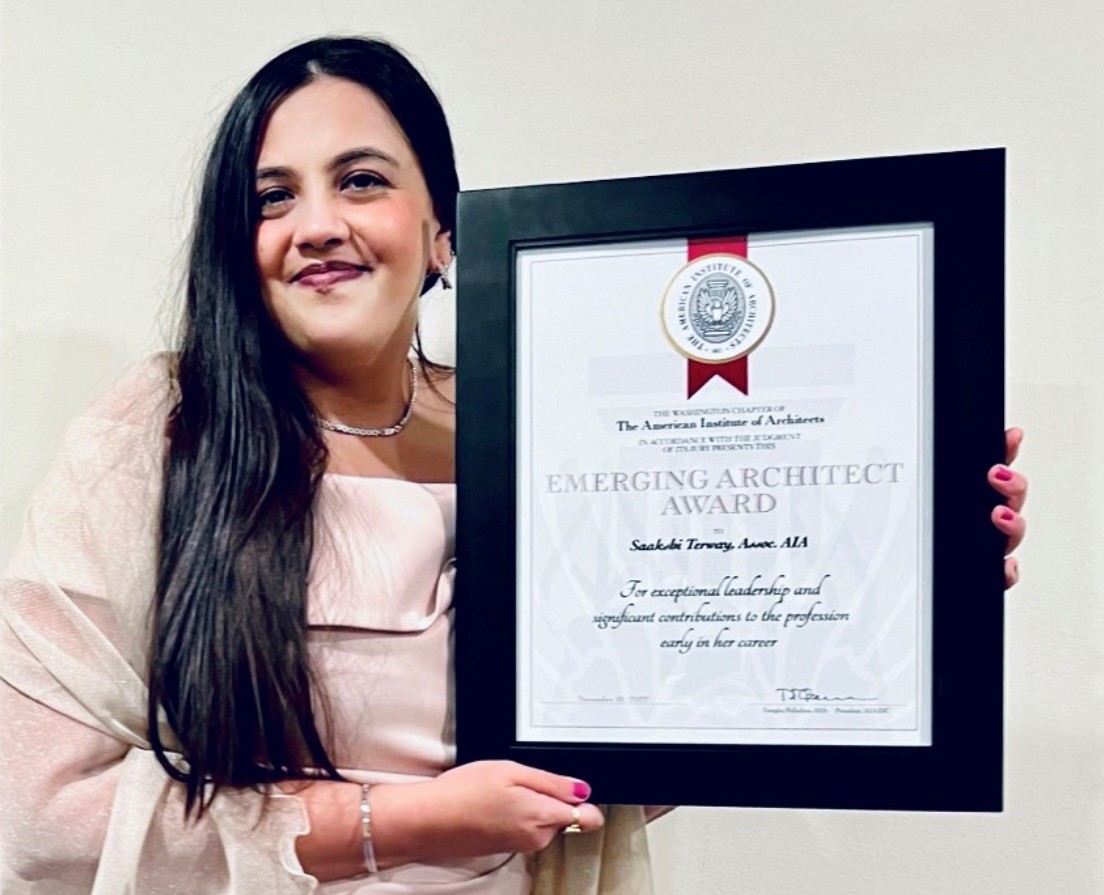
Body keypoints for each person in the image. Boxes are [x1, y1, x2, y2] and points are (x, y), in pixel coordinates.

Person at [0, 36, 1027, 895]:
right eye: (273, 197)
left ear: (444, 231)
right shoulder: (161, 433)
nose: (317, 225)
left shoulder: (552, 424)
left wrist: (910, 569)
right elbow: (39, 812)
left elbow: (634, 747)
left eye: (361, 180)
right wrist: (390, 823)